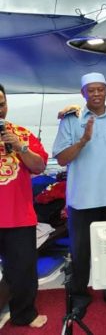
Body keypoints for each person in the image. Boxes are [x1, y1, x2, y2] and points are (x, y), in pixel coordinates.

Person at [53, 72, 106, 317]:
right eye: (91, 90)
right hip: (83, 198)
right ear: (83, 93)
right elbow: (61, 159)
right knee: (81, 252)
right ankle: (79, 296)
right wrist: (83, 140)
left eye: (100, 89)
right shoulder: (71, 120)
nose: (96, 94)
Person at [0, 83, 48, 329]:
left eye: (1, 104)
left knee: (23, 270)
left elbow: (39, 167)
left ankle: (24, 314)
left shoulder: (21, 133)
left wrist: (21, 148)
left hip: (18, 216)